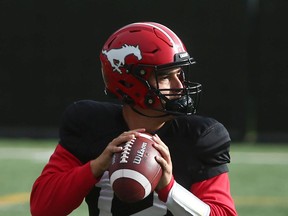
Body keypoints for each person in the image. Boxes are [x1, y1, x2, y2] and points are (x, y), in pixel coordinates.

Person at [30, 22, 237, 216]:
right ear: (130, 82)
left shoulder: (200, 137)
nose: (180, 86)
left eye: (179, 74)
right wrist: (95, 167)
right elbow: (42, 208)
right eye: (165, 76)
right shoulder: (90, 124)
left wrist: (169, 189)